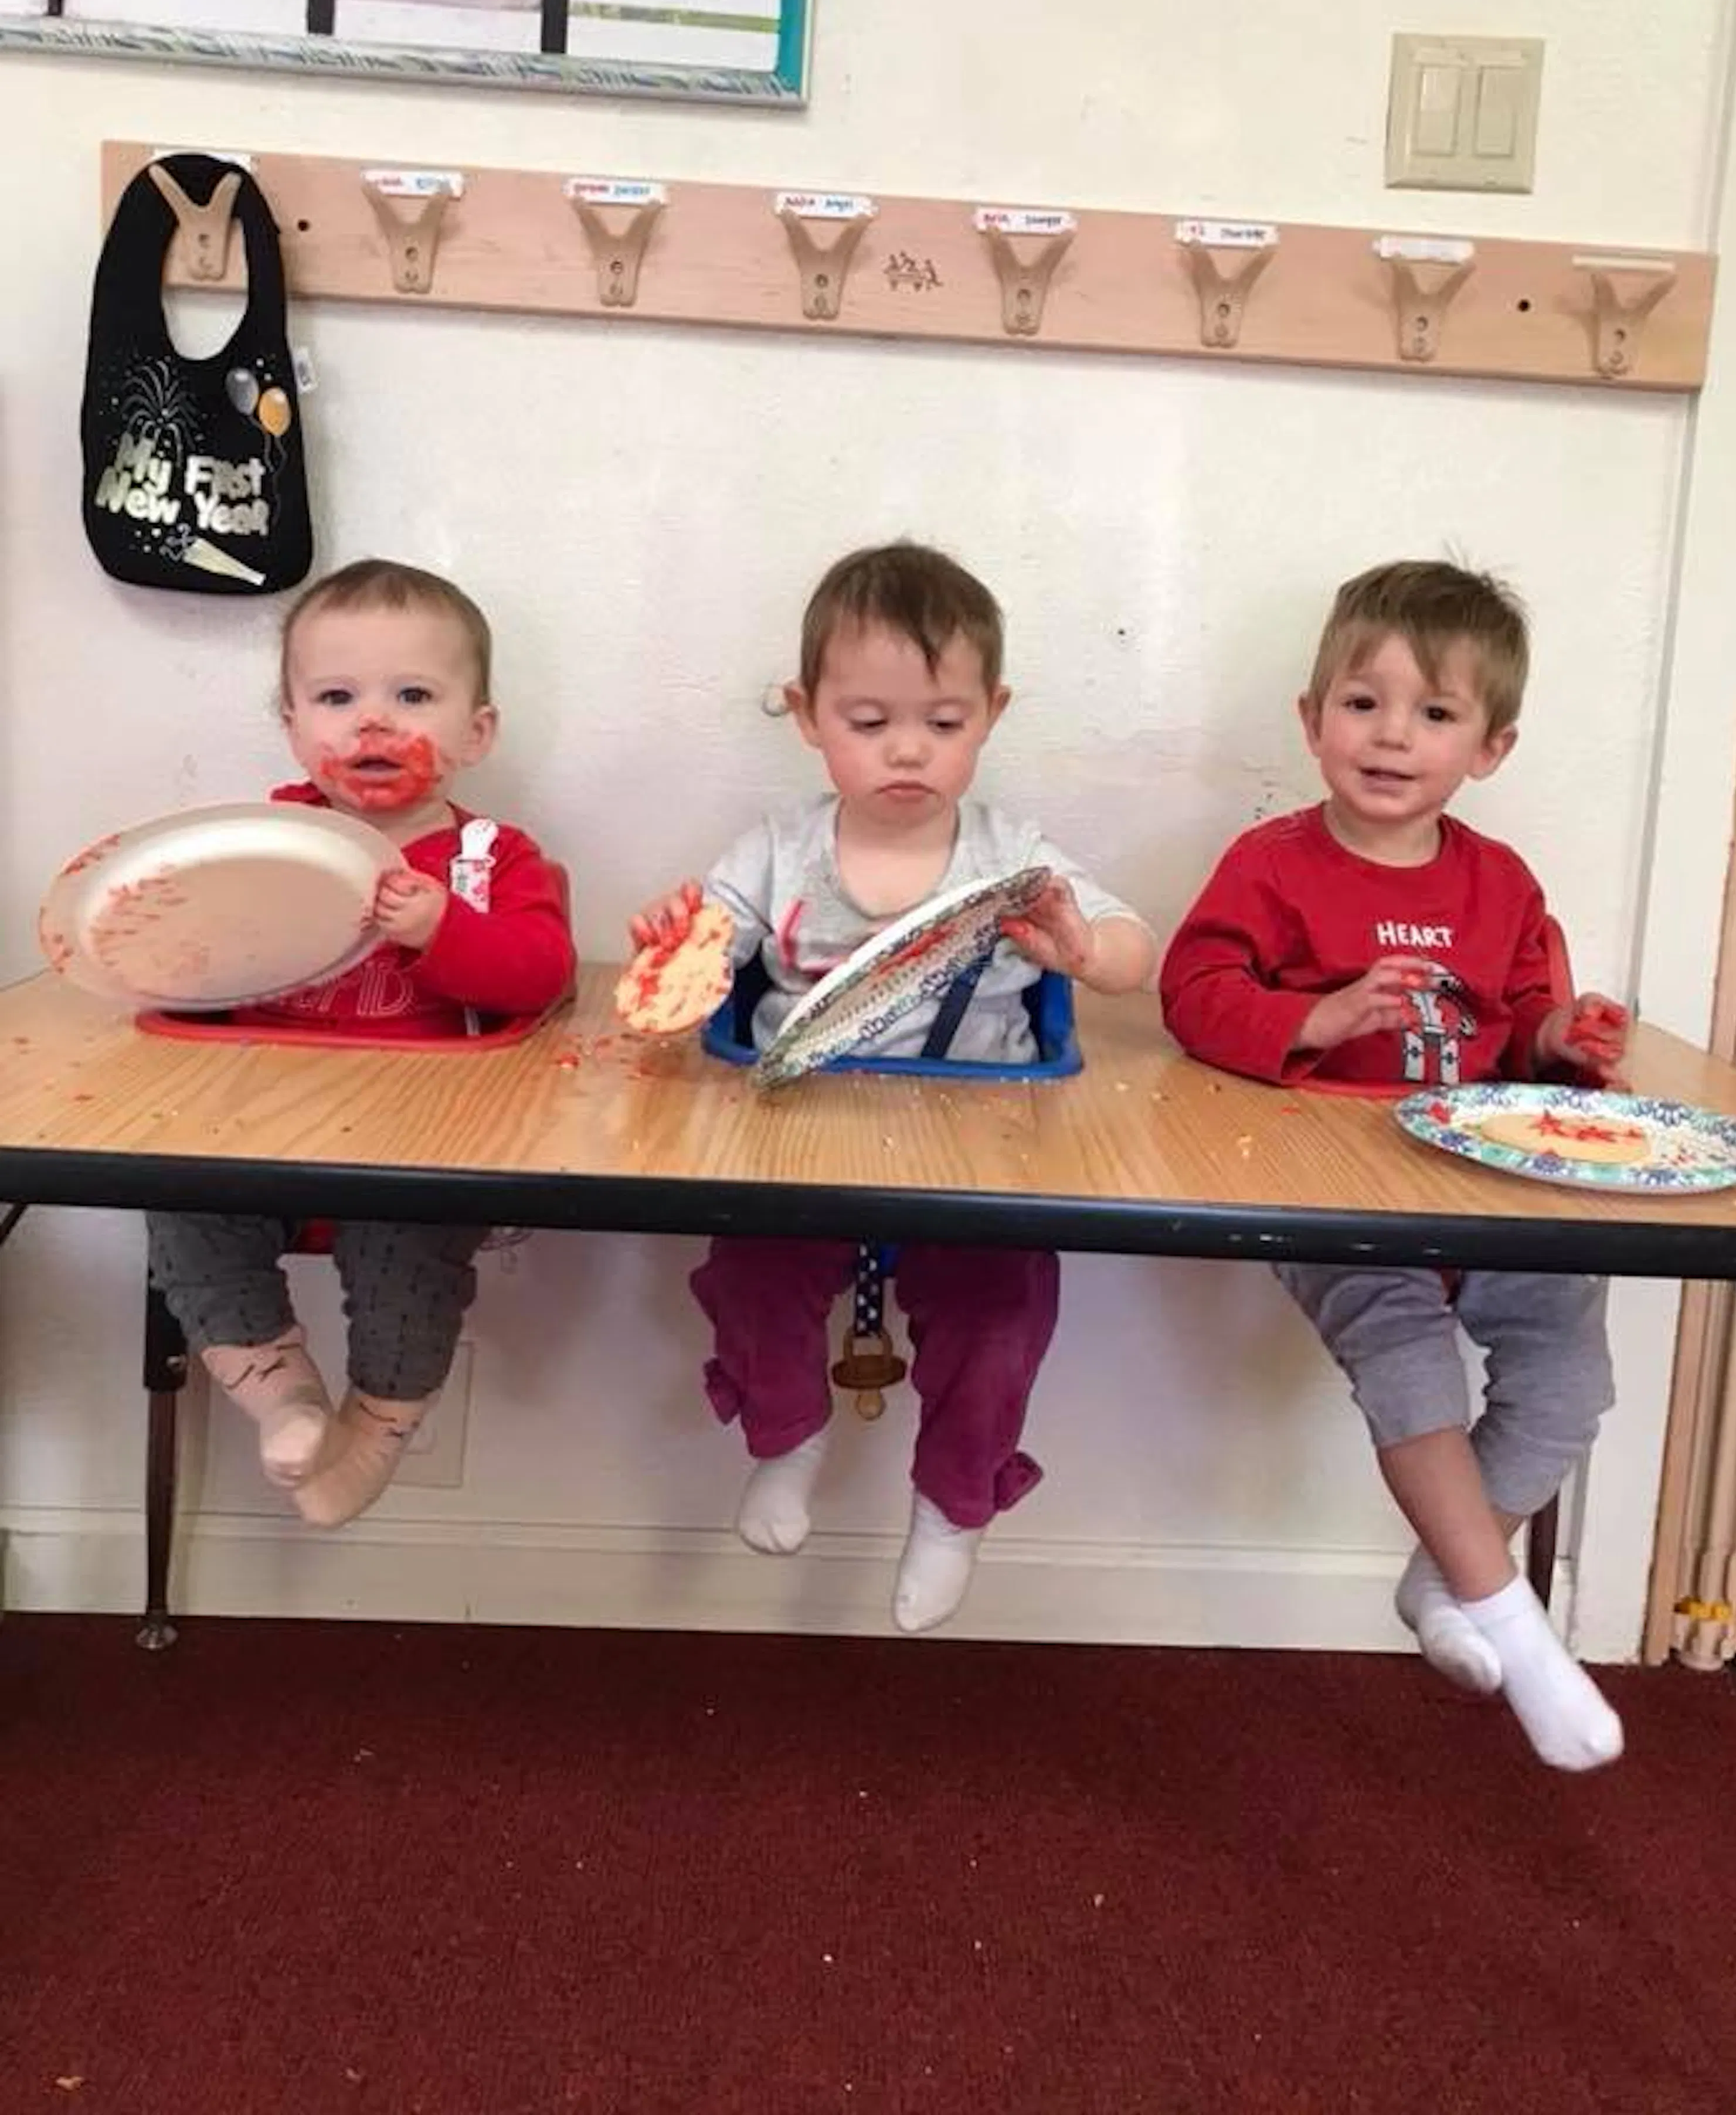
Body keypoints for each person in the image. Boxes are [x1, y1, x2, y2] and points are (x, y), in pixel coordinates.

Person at [633, 542, 1156, 1631]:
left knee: (1002, 1316)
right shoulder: (778, 851)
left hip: (976, 1148)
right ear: (807, 714)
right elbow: (705, 958)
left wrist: (1083, 949)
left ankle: (955, 1507)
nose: (908, 749)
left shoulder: (1011, 854)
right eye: (869, 722)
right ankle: (786, 1439)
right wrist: (674, 955)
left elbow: (1131, 950)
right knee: (749, 1276)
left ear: (992, 714)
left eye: (944, 722)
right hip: (800, 1133)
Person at [1160, 560, 1629, 1770]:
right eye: (1363, 703)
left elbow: (1520, 1020)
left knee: (1570, 1381)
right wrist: (1315, 1019)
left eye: (1435, 712)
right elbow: (1193, 992)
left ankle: (1447, 1578)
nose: (1391, 735)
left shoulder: (1501, 882)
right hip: (1331, 1185)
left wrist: (1559, 1038)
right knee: (1410, 1360)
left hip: (1479, 1182)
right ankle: (1517, 1629)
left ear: (1490, 745)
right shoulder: (1269, 864)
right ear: (1312, 719)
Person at [145, 558, 575, 1526]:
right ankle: (281, 1395)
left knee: (410, 1250)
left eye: (412, 696)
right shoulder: (264, 840)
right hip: (259, 1126)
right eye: (337, 698)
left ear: (477, 731)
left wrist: (444, 930)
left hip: (413, 1144)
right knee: (177, 1199)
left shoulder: (491, 859)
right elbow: (191, 966)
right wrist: (184, 929)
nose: (372, 722)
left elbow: (541, 974)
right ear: (294, 726)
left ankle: (379, 1426)